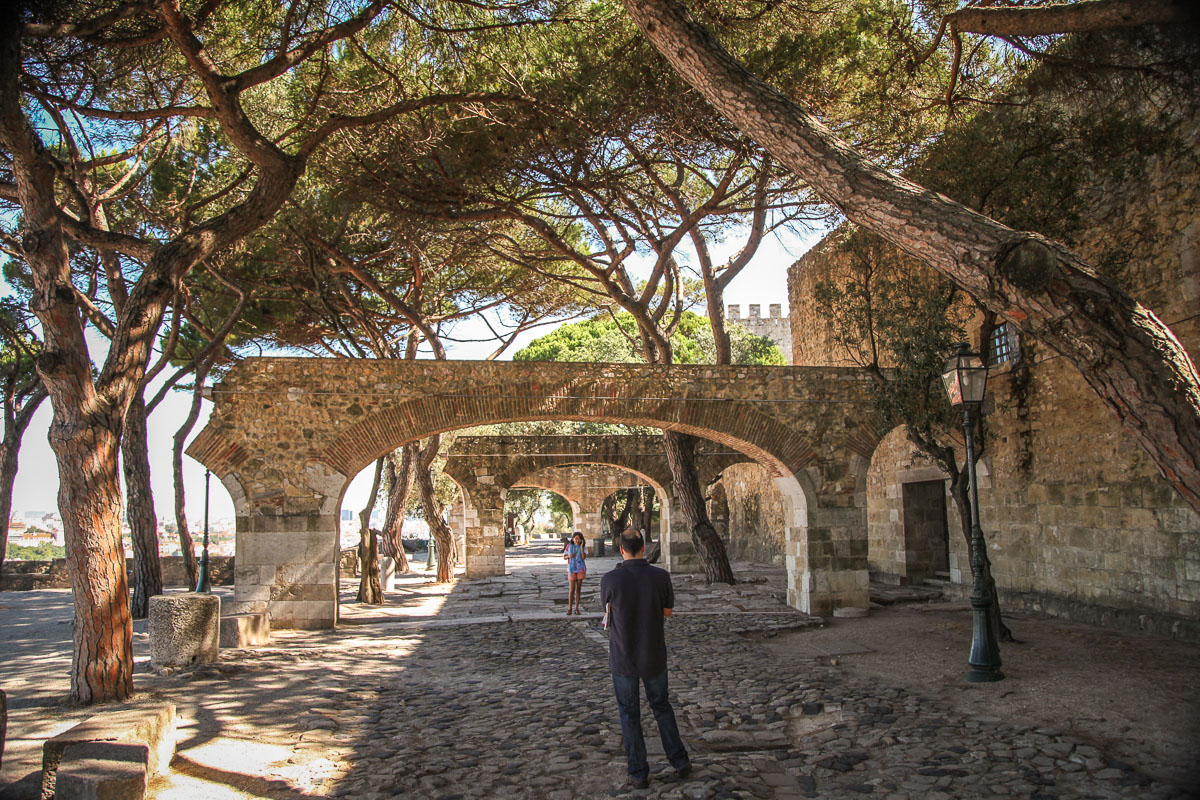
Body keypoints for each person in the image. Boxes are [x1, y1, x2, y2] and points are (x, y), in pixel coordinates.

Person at [600, 527, 691, 789]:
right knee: (662, 707)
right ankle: (680, 761)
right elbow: (668, 612)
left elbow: (607, 614)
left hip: (623, 657)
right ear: (644, 548)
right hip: (653, 655)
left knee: (629, 714)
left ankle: (638, 772)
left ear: (621, 549)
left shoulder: (610, 579)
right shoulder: (661, 576)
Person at [563, 531, 587, 615]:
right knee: (572, 589)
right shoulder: (569, 546)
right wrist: (569, 556)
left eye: (579, 539)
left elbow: (584, 557)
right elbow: (564, 557)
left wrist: (581, 547)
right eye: (576, 538)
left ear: (581, 540)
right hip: (572, 569)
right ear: (573, 539)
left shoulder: (583, 547)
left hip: (580, 569)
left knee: (578, 589)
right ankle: (569, 608)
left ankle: (576, 608)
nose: (577, 540)